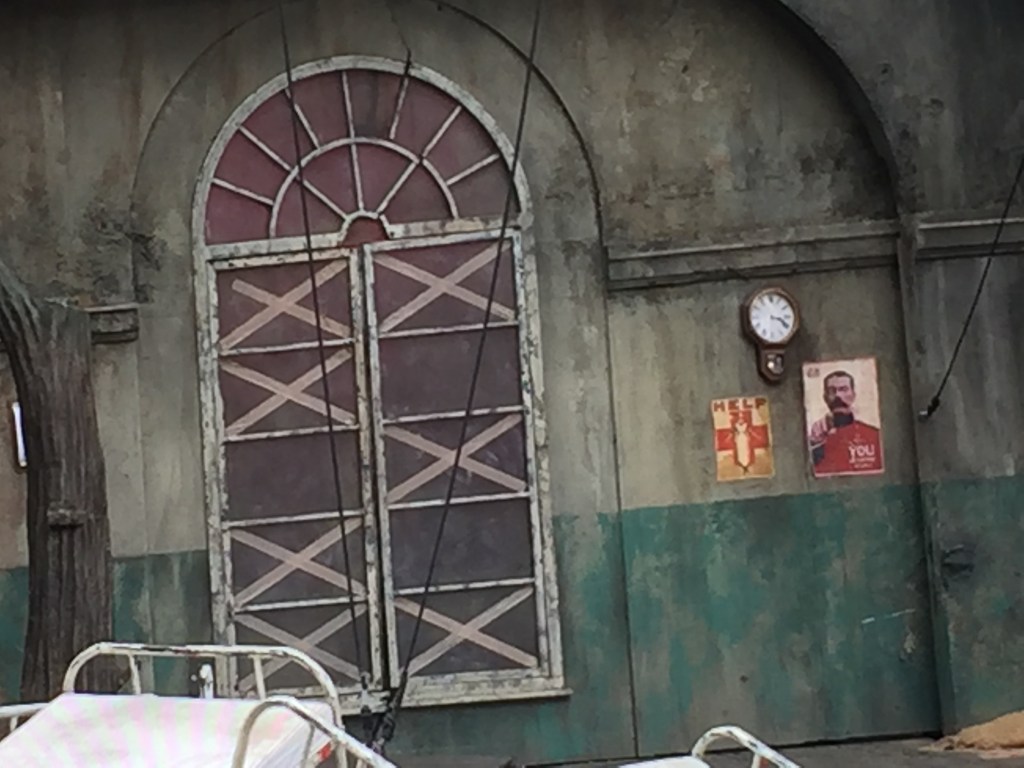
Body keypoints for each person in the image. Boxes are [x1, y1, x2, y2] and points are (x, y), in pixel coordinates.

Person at [808, 370, 882, 474]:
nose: (838, 395)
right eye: (831, 391)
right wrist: (815, 444)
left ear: (853, 394)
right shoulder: (815, 439)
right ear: (825, 397)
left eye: (843, 389)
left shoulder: (874, 435)